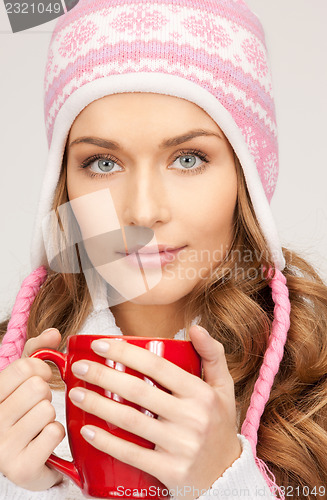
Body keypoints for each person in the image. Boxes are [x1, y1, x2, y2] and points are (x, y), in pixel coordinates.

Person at [0, 0, 326, 499]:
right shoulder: (12, 383)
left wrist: (227, 482)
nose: (142, 212)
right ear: (63, 184)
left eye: (188, 158)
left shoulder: (315, 384)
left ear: (247, 180)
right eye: (103, 163)